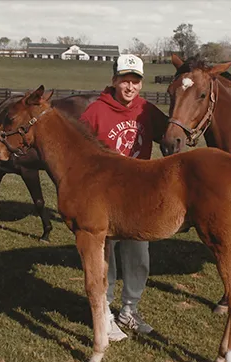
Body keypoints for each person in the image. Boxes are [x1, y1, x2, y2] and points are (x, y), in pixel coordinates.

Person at [79, 54, 168, 341]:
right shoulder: (96, 111)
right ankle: (104, 312)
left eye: (135, 81)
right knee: (106, 256)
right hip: (105, 197)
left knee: (139, 253)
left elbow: (170, 134)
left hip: (139, 195)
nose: (130, 87)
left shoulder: (147, 110)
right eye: (125, 80)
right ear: (114, 80)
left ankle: (130, 309)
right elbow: (78, 146)